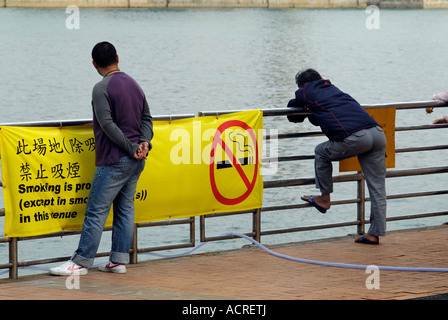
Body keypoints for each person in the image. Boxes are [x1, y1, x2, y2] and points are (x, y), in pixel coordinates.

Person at [50, 42, 153, 275]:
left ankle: (81, 261)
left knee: (96, 210)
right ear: (117, 57)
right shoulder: (134, 84)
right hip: (137, 160)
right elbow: (147, 117)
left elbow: (107, 124)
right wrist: (143, 144)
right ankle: (117, 260)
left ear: (94, 64)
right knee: (125, 208)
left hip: (114, 159)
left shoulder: (101, 88)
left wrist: (130, 147)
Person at [287, 68, 387, 245]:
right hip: (377, 133)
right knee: (377, 188)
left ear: (302, 84)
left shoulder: (306, 90)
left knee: (320, 152)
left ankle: (324, 199)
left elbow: (292, 114)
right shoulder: (333, 89)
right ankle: (374, 234)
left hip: (356, 137)